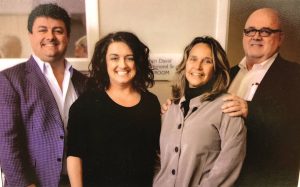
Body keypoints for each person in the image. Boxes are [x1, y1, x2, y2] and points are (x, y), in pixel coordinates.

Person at [0, 3, 87, 187]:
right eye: (42, 30)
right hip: (35, 183)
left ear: (68, 36)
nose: (50, 36)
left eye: (58, 30)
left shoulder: (85, 82)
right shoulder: (10, 80)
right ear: (30, 35)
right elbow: (6, 142)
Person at [67, 31, 161, 187]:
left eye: (129, 58)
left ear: (137, 62)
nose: (122, 65)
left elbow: (157, 154)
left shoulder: (151, 103)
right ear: (104, 62)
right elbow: (74, 155)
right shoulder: (86, 104)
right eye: (114, 58)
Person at [221, 8, 300, 186]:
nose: (256, 36)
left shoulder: (295, 74)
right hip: (223, 179)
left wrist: (251, 110)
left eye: (265, 31)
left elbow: (293, 124)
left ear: (280, 38)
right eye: (250, 31)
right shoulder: (225, 75)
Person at [153, 36, 246, 187]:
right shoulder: (170, 108)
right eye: (193, 59)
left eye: (207, 61)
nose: (198, 67)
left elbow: (229, 164)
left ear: (217, 68)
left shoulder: (228, 107)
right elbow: (158, 158)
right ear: (185, 64)